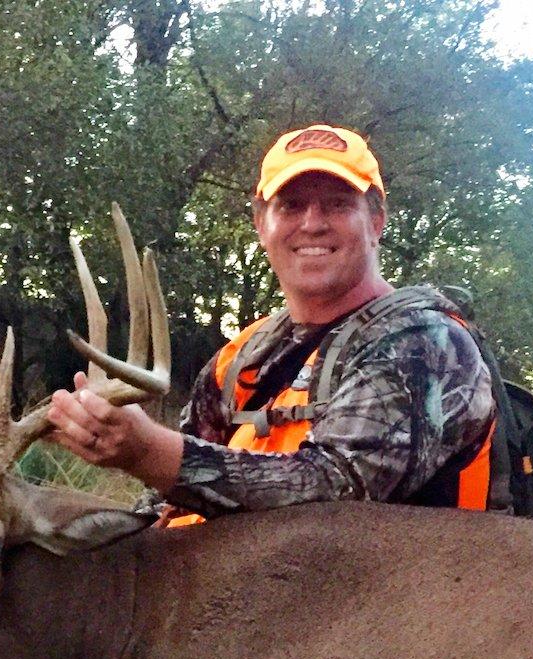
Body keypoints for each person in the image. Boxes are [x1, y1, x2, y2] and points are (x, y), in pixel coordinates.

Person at [46, 124, 495, 523]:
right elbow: (162, 502)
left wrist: (148, 451)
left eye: (337, 205)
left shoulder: (426, 342)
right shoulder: (243, 357)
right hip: (228, 597)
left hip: (393, 609)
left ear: (376, 222)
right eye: (291, 206)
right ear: (262, 225)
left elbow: (337, 492)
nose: (312, 224)